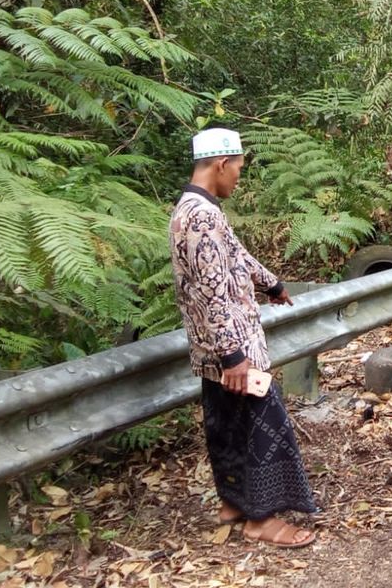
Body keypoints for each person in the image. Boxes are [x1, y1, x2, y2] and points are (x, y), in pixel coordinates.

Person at [168, 128, 318, 548]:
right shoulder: (199, 216)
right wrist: (233, 356)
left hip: (215, 349)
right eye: (238, 168)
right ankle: (262, 519)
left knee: (227, 426)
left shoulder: (200, 209)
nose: (239, 176)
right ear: (220, 164)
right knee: (265, 430)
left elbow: (234, 254)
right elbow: (212, 292)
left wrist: (271, 283)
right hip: (232, 351)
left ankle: (233, 503)